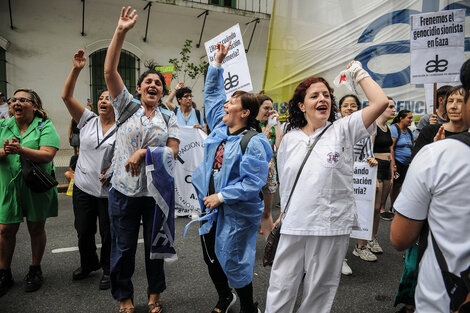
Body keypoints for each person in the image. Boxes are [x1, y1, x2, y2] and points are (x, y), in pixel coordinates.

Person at [264, 61, 388, 313]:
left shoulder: (344, 129)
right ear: (302, 105)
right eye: (314, 95)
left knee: (319, 289)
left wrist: (359, 72)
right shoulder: (289, 139)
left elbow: (380, 103)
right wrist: (281, 216)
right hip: (294, 223)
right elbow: (288, 182)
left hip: (331, 224)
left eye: (326, 95)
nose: (323, 99)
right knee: (281, 284)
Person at [104, 7, 179, 313]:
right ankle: (124, 297)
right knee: (122, 249)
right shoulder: (126, 108)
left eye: (158, 84)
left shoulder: (169, 116)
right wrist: (120, 31)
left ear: (162, 91)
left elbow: (172, 150)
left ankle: (155, 293)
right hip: (122, 191)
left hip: (155, 193)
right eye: (147, 82)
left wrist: (144, 153)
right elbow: (109, 72)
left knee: (154, 248)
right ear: (137, 89)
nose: (152, 85)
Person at [191, 41, 272, 313]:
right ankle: (225, 296)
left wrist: (222, 196)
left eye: (233, 102)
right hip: (210, 207)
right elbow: (213, 94)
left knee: (234, 261)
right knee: (210, 256)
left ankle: (249, 306)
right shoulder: (219, 128)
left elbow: (252, 183)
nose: (225, 105)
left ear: (245, 112)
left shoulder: (255, 142)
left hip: (235, 211)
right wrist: (217, 62)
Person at [390, 59, 470, 313]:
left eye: (461, 99)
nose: (456, 105)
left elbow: (399, 236)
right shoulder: (432, 139)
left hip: (444, 295)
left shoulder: (442, 155)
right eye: (451, 101)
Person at [61, 49, 116, 290]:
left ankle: (108, 268)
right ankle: (88, 263)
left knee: (108, 233)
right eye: (101, 97)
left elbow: (127, 154)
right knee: (83, 230)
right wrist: (76, 69)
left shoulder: (124, 127)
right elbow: (66, 96)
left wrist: (114, 169)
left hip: (109, 190)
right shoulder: (88, 119)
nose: (104, 100)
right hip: (83, 186)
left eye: (110, 98)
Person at [0, 88, 60, 296]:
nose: (16, 103)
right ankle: (4, 272)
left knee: (36, 228)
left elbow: (47, 155)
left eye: (23, 100)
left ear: (34, 105)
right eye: (13, 100)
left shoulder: (45, 125)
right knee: (5, 230)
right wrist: (4, 151)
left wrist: (21, 150)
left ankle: (35, 269)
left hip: (35, 188)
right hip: (8, 188)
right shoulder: (3, 125)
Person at [336, 94, 379, 274]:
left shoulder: (365, 131)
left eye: (353, 105)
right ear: (339, 109)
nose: (349, 109)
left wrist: (370, 161)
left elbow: (367, 155)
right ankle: (333, 259)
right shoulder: (332, 128)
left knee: (346, 220)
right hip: (334, 181)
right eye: (345, 105)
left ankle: (341, 258)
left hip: (353, 183)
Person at [256, 94, 283, 240]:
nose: (269, 112)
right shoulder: (252, 125)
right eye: (266, 108)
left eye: (272, 108)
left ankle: (270, 249)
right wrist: (268, 127)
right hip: (253, 172)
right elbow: (259, 142)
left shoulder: (272, 125)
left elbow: (280, 146)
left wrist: (277, 124)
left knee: (267, 212)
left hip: (270, 172)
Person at [388, 110, 413, 213]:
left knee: (400, 185)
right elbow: (391, 147)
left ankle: (396, 206)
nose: (411, 120)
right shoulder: (395, 129)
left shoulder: (409, 131)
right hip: (397, 162)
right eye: (409, 118)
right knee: (395, 185)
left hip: (406, 163)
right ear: (401, 118)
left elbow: (411, 146)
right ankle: (393, 207)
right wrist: (393, 164)